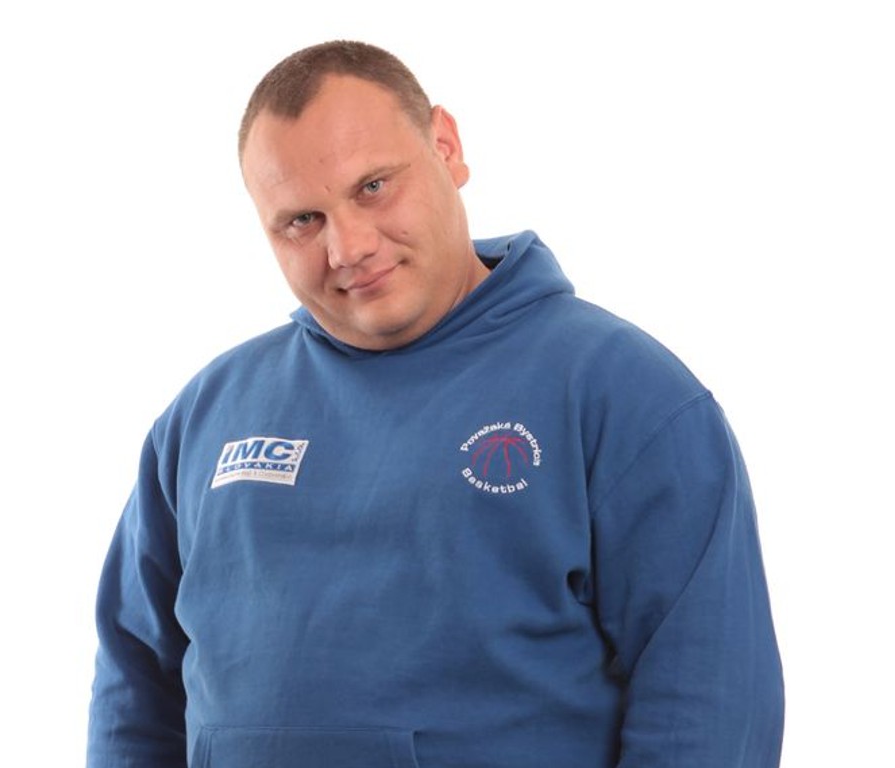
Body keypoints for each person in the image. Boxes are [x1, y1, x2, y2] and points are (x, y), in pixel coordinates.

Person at [87, 40, 784, 768]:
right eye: (302, 221)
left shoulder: (625, 394)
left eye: (373, 187)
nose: (349, 246)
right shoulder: (209, 414)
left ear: (445, 147)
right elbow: (133, 687)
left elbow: (710, 705)